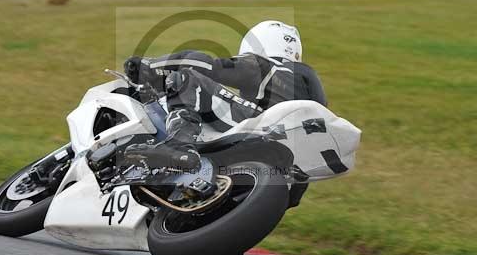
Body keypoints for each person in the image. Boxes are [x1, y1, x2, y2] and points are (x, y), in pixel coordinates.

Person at [122, 20, 327, 175]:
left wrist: (151, 67)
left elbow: (204, 64)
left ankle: (178, 145)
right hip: (292, 154)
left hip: (264, 127)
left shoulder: (264, 64)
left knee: (189, 77)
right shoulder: (311, 82)